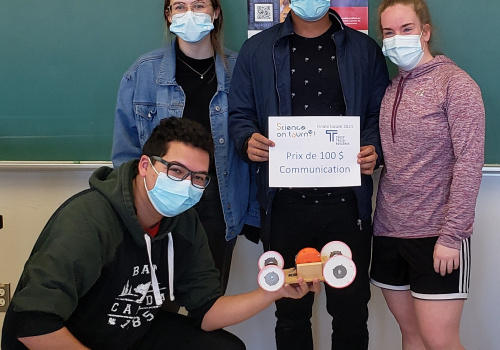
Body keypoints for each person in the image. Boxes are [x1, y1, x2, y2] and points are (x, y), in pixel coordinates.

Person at [1, 117, 319, 350]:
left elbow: (206, 312)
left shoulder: (183, 223)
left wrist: (273, 291)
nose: (187, 184)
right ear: (144, 166)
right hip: (68, 339)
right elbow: (32, 324)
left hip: (131, 334)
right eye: (177, 171)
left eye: (198, 178)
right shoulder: (87, 220)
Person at [228, 0, 389, 349]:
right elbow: (240, 113)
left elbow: (381, 114)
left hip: (348, 207)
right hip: (284, 206)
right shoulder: (257, 49)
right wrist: (246, 141)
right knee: (289, 314)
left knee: (350, 314)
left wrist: (373, 149)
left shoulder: (364, 50)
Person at [111, 0, 259, 294]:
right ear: (168, 15)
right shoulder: (141, 74)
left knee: (207, 299)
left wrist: (254, 214)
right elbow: (125, 154)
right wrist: (132, 212)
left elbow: (255, 148)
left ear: (216, 13)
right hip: (159, 200)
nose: (189, 13)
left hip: (220, 203)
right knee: (156, 298)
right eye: (179, 6)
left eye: (199, 5)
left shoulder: (242, 70)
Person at [369, 1, 485, 349]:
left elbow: (469, 162)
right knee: (413, 336)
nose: (396, 39)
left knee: (441, 342)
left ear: (426, 31)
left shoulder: (457, 84)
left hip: (437, 237)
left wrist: (452, 237)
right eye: (388, 33)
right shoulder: (390, 90)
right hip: (389, 232)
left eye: (406, 29)